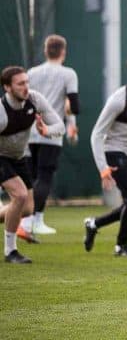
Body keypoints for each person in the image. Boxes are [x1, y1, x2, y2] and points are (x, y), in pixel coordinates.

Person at [83, 54, 127, 257]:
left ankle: (94, 223)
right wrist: (103, 168)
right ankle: (121, 246)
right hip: (113, 152)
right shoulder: (118, 100)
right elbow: (97, 134)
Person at [0, 66, 64, 263]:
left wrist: (46, 130)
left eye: (27, 82)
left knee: (26, 209)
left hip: (18, 157)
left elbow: (59, 126)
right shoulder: (2, 112)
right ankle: (10, 251)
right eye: (20, 84)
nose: (26, 87)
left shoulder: (34, 99)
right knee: (18, 195)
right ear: (7, 88)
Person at [20, 35, 79, 235]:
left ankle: (29, 221)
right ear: (63, 52)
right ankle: (33, 221)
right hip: (51, 133)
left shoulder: (32, 73)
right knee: (44, 177)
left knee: (31, 177)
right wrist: (70, 119)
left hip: (29, 133)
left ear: (46, 51)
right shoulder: (68, 74)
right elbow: (74, 105)